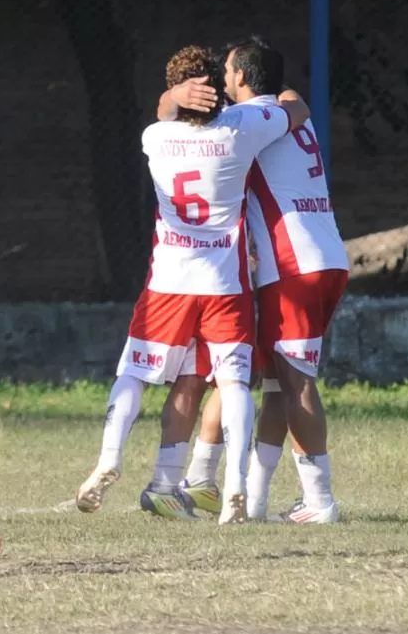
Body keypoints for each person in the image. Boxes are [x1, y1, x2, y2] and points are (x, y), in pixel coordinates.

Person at [76, 44, 310, 525]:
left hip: (169, 280)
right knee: (233, 381)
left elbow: (163, 113)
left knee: (134, 374)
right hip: (224, 281)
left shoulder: (155, 137)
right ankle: (235, 487)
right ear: (214, 90)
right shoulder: (240, 130)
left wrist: (173, 98)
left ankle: (109, 459)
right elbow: (296, 112)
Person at [162, 37, 349, 524]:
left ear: (242, 78)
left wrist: (176, 100)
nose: (222, 82)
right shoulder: (287, 114)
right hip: (322, 257)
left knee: (296, 382)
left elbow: (176, 128)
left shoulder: (246, 120)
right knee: (274, 382)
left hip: (292, 265)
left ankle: (320, 500)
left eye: (226, 72)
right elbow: (296, 104)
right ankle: (259, 500)